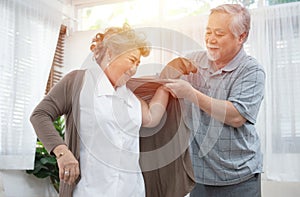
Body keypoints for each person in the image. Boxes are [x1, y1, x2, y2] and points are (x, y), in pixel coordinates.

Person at [30, 24, 170, 197]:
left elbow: (151, 117)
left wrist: (166, 87)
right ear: (111, 53)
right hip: (89, 191)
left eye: (138, 63)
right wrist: (62, 152)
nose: (134, 69)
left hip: (132, 191)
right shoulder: (77, 82)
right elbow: (40, 114)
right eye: (131, 60)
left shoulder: (131, 97)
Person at [161, 4, 265, 197]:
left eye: (219, 33)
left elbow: (236, 116)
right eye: (208, 32)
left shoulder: (251, 70)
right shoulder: (192, 62)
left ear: (241, 37)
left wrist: (191, 93)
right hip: (199, 177)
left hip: (240, 178)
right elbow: (163, 88)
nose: (210, 39)